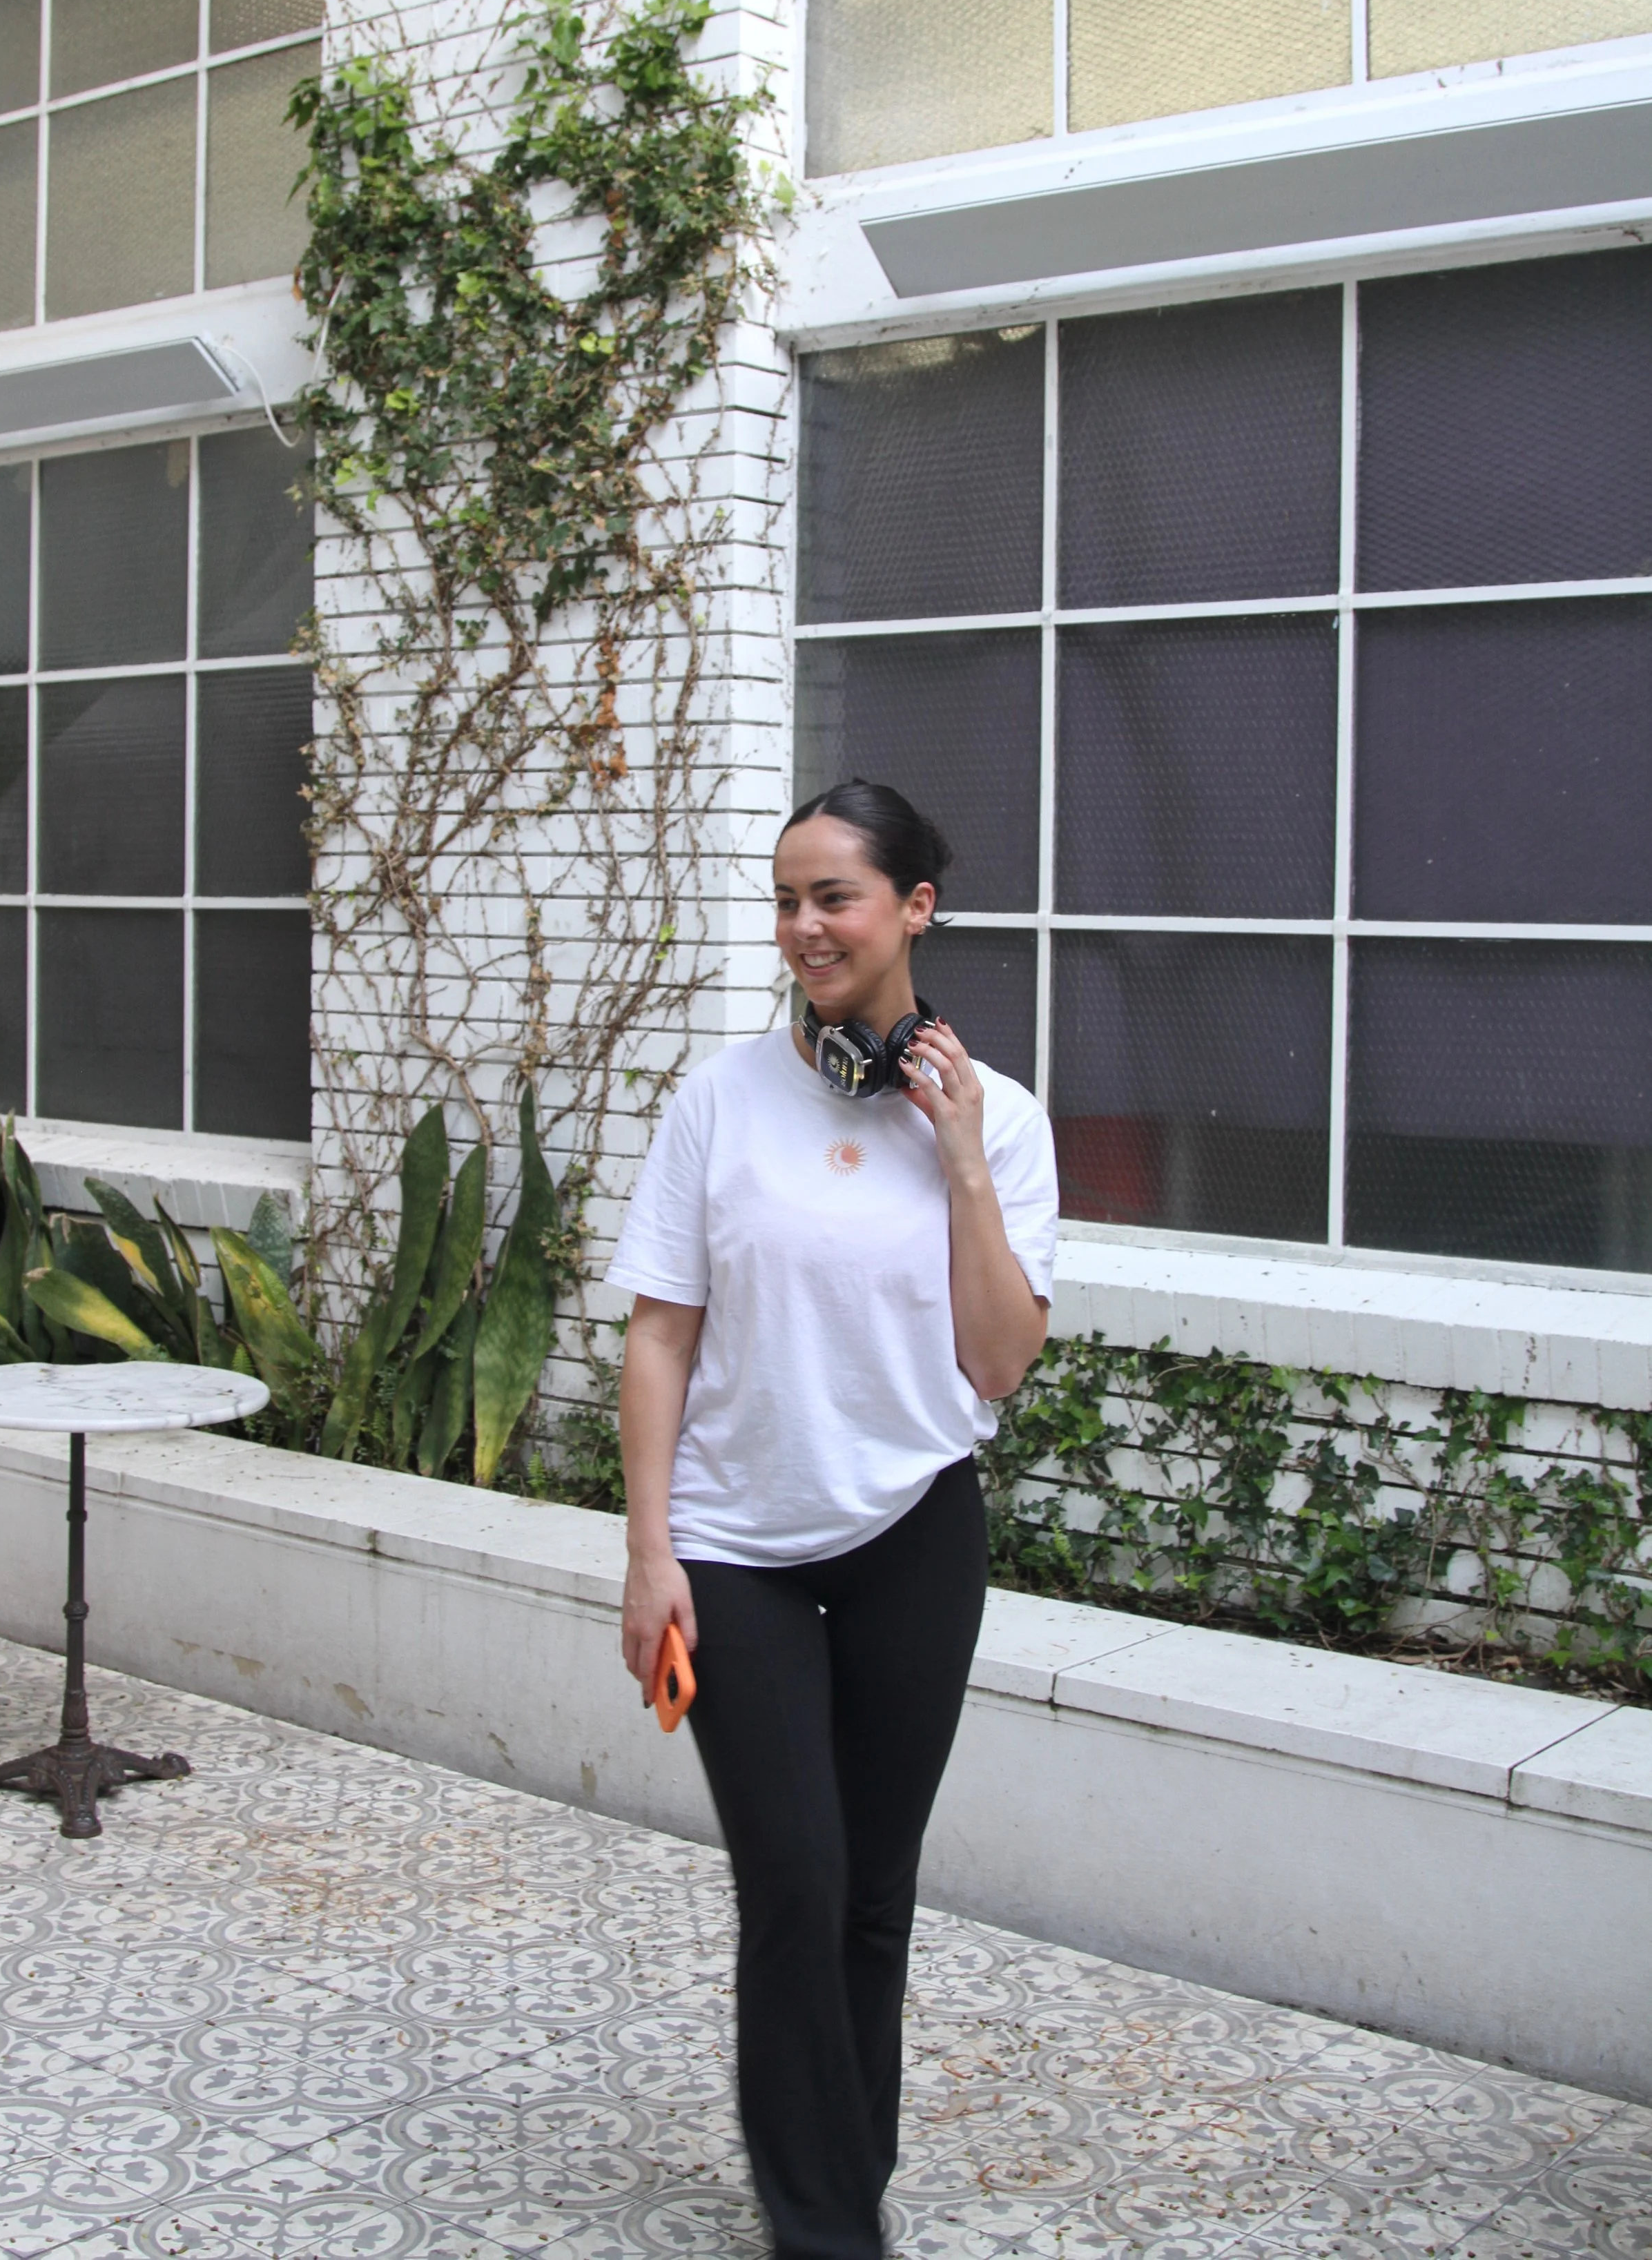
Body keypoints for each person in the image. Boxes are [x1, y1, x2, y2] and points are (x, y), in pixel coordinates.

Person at [608, 777, 1058, 2260]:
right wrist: (649, 1550)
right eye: (786, 900)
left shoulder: (1001, 1126)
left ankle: (842, 2176)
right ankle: (821, 2231)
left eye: (834, 898)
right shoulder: (717, 1102)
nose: (801, 928)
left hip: (912, 1538)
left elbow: (996, 1362)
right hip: (735, 1548)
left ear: (913, 909)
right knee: (792, 1884)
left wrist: (961, 1154)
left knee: (873, 1895)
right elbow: (660, 1335)